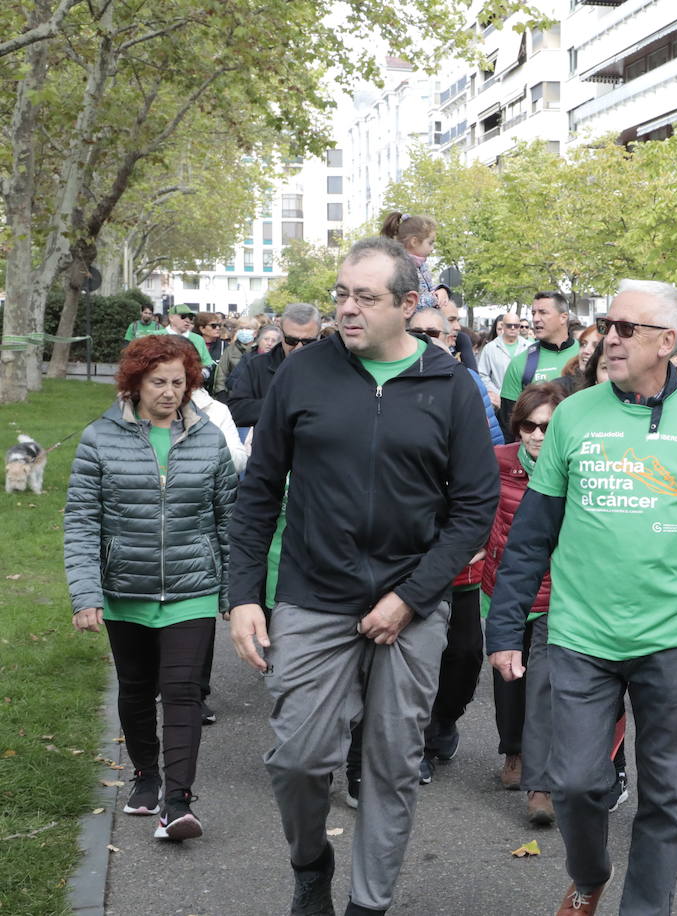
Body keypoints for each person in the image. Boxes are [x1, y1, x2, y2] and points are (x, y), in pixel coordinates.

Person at [226, 237, 499, 916]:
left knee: (392, 763)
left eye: (364, 297)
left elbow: (474, 508)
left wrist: (410, 598)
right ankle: (310, 861)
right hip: (314, 595)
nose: (346, 309)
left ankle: (368, 905)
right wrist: (242, 598)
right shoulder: (304, 373)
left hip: (412, 603)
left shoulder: (449, 385)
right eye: (341, 294)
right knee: (297, 758)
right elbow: (259, 490)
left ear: (409, 305)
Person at [487, 279, 677, 916]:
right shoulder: (575, 415)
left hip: (674, 640)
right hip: (579, 635)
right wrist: (503, 629)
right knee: (574, 783)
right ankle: (589, 874)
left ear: (669, 343)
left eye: (626, 328)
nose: (610, 337)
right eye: (609, 324)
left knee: (665, 795)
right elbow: (532, 534)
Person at [64, 334, 236, 842]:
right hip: (125, 590)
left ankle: (178, 803)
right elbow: (81, 521)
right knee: (137, 689)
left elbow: (228, 518)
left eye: (178, 383)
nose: (168, 392)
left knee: (183, 691)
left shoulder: (208, 438)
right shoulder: (100, 438)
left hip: (193, 588)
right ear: (135, 382)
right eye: (158, 382)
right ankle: (146, 774)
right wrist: (86, 593)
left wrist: (232, 591)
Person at [337, 304, 504, 800]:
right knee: (383, 656)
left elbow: (488, 466)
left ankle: (442, 725)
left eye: (437, 332)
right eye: (419, 332)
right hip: (402, 555)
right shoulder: (376, 384)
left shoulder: (465, 385)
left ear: (452, 339)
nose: (428, 338)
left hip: (459, 551)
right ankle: (387, 756)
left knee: (465, 652)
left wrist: (472, 532)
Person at [482, 382, 567, 827]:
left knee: (546, 685)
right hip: (505, 588)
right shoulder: (498, 462)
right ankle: (512, 751)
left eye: (547, 426)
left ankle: (541, 783)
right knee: (508, 680)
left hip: (557, 591)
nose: (537, 434)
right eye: (529, 425)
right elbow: (476, 509)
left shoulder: (572, 465)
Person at [227, 303, 320, 429]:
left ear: (318, 337)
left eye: (307, 342)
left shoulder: (333, 366)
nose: (299, 348)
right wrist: (283, 404)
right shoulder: (257, 365)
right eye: (291, 341)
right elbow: (236, 411)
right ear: (281, 335)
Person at [498, 292, 577, 431]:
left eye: (543, 312)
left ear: (563, 317)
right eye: (533, 313)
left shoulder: (587, 354)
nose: (535, 319)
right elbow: (508, 426)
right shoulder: (520, 363)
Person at [380, 211, 439, 310]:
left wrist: (440, 290)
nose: (432, 248)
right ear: (414, 242)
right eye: (430, 243)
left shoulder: (422, 266)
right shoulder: (400, 268)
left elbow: (429, 289)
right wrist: (435, 298)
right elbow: (407, 303)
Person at [478, 312, 525, 401]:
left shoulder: (529, 347)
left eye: (516, 325)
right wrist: (497, 393)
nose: (513, 328)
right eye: (509, 325)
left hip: (524, 400)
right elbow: (483, 375)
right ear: (503, 326)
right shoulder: (490, 348)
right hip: (499, 400)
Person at [164, 305, 213, 374]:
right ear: (171, 318)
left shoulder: (198, 339)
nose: (187, 320)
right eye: (183, 316)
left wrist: (198, 378)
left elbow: (207, 365)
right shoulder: (156, 336)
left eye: (190, 317)